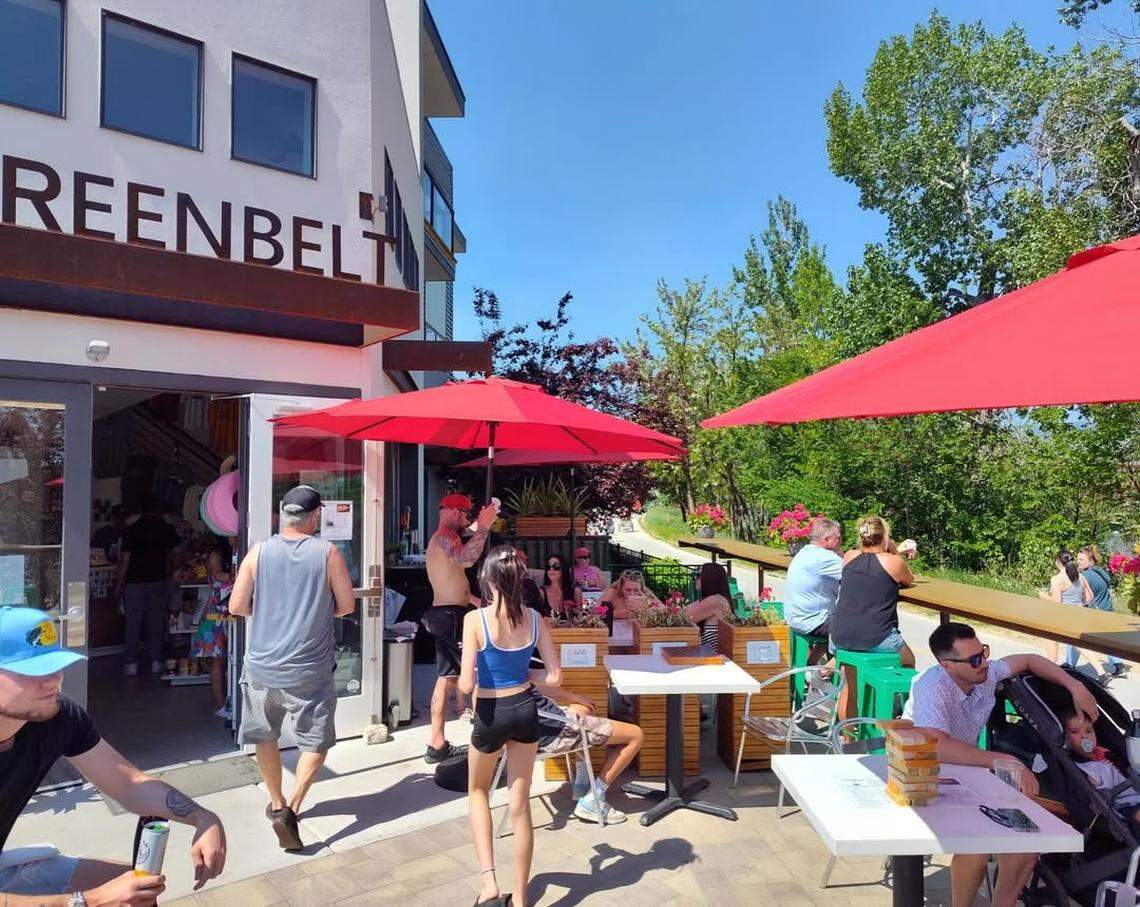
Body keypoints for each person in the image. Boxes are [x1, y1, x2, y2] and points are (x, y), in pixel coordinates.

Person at [0, 606, 226, 904]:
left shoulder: (57, 716)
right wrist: (89, 901)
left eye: (56, 665)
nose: (53, 679)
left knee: (135, 887)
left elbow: (128, 783)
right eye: (33, 670)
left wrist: (203, 818)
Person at [910, 621, 1099, 907]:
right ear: (947, 666)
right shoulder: (932, 686)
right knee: (977, 843)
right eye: (974, 659)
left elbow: (1029, 660)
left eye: (983, 652)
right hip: (921, 767)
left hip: (968, 767)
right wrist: (1003, 759)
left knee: (1027, 833)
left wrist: (1074, 685)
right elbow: (937, 745)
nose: (983, 663)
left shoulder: (984, 673)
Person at [228, 485, 356, 852]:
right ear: (315, 517)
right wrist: (316, 613)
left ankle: (277, 802)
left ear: (284, 515)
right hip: (309, 667)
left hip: (262, 666)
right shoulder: (328, 553)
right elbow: (346, 605)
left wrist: (269, 612)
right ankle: (294, 808)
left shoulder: (259, 552)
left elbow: (237, 605)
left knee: (263, 735)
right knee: (315, 740)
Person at [459, 546, 560, 907]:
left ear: (487, 580)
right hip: (524, 708)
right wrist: (523, 674)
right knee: (520, 805)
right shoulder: (534, 618)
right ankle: (520, 898)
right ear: (520, 581)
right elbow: (553, 674)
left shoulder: (476, 620)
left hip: (490, 709)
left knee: (478, 792)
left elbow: (466, 685)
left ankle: (489, 885)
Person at [423, 492, 498, 764]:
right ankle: (484, 743)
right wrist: (485, 526)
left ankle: (437, 743)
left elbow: (468, 536)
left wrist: (482, 520)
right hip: (450, 615)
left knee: (445, 679)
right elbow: (466, 559)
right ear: (454, 512)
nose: (467, 522)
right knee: (477, 671)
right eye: (465, 515)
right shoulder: (445, 535)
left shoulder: (445, 535)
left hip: (446, 612)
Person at [830, 516, 916, 719]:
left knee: (849, 686)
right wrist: (894, 549)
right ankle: (895, 712)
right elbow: (908, 578)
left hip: (841, 636)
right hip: (877, 637)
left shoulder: (849, 556)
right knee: (908, 661)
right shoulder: (894, 562)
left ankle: (847, 739)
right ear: (885, 537)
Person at [530, 682, 642, 825]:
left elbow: (532, 684)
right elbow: (553, 678)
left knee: (586, 705)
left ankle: (581, 785)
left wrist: (572, 696)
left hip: (532, 727)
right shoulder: (511, 665)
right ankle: (593, 800)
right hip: (552, 732)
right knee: (636, 735)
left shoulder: (497, 677)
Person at [114, 495, 180, 677]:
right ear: (157, 510)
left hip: (134, 582)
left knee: (133, 623)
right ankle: (157, 661)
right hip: (158, 580)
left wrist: (119, 584)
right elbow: (176, 552)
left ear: (140, 510)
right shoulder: (166, 529)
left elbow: (125, 560)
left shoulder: (132, 530)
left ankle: (131, 663)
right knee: (156, 621)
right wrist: (171, 570)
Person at [1060, 702, 1140, 828]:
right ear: (1065, 739)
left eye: (1089, 731)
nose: (1084, 736)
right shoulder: (1086, 768)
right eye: (1075, 732)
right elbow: (1100, 791)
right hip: (1127, 804)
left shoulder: (1105, 752)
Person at [784, 517, 844, 663]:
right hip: (812, 621)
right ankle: (826, 672)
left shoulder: (805, 552)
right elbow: (859, 573)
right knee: (861, 630)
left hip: (797, 618)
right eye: (838, 538)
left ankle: (810, 666)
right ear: (827, 539)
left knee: (840, 619)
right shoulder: (824, 557)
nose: (840, 541)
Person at [191, 537, 235, 719]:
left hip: (234, 614)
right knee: (218, 661)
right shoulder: (215, 555)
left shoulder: (238, 553)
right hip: (216, 615)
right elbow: (218, 575)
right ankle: (219, 703)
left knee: (233, 659)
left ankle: (232, 701)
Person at [1078, 546, 1125, 679]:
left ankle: (1070, 664)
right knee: (1106, 640)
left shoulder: (1085, 576)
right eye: (1077, 559)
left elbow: (1082, 596)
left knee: (1075, 637)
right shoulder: (1101, 573)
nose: (1078, 562)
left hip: (1095, 613)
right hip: (1107, 610)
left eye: (1081, 559)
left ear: (1091, 561)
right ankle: (1118, 663)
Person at [1045, 550, 1094, 670]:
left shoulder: (1057, 579)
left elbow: (1057, 601)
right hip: (1078, 613)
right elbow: (1090, 596)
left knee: (1051, 641)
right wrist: (1079, 604)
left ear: (1058, 562)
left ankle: (1050, 670)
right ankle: (1100, 670)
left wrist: (1043, 596)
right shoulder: (1080, 577)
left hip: (1062, 616)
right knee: (1077, 643)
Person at [684, 563, 732, 652]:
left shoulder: (715, 601)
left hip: (715, 661)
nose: (696, 579)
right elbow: (677, 613)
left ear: (709, 578)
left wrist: (650, 597)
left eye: (698, 575)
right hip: (711, 659)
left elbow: (680, 617)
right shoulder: (716, 599)